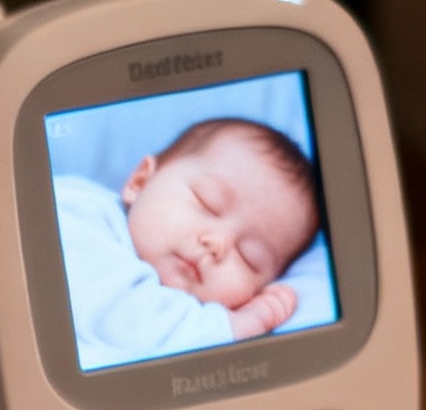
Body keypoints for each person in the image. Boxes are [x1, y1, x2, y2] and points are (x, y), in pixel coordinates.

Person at [56, 115, 320, 371]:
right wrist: (241, 324)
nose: (217, 243)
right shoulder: (78, 214)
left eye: (249, 257)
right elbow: (128, 325)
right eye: (207, 202)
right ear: (140, 182)